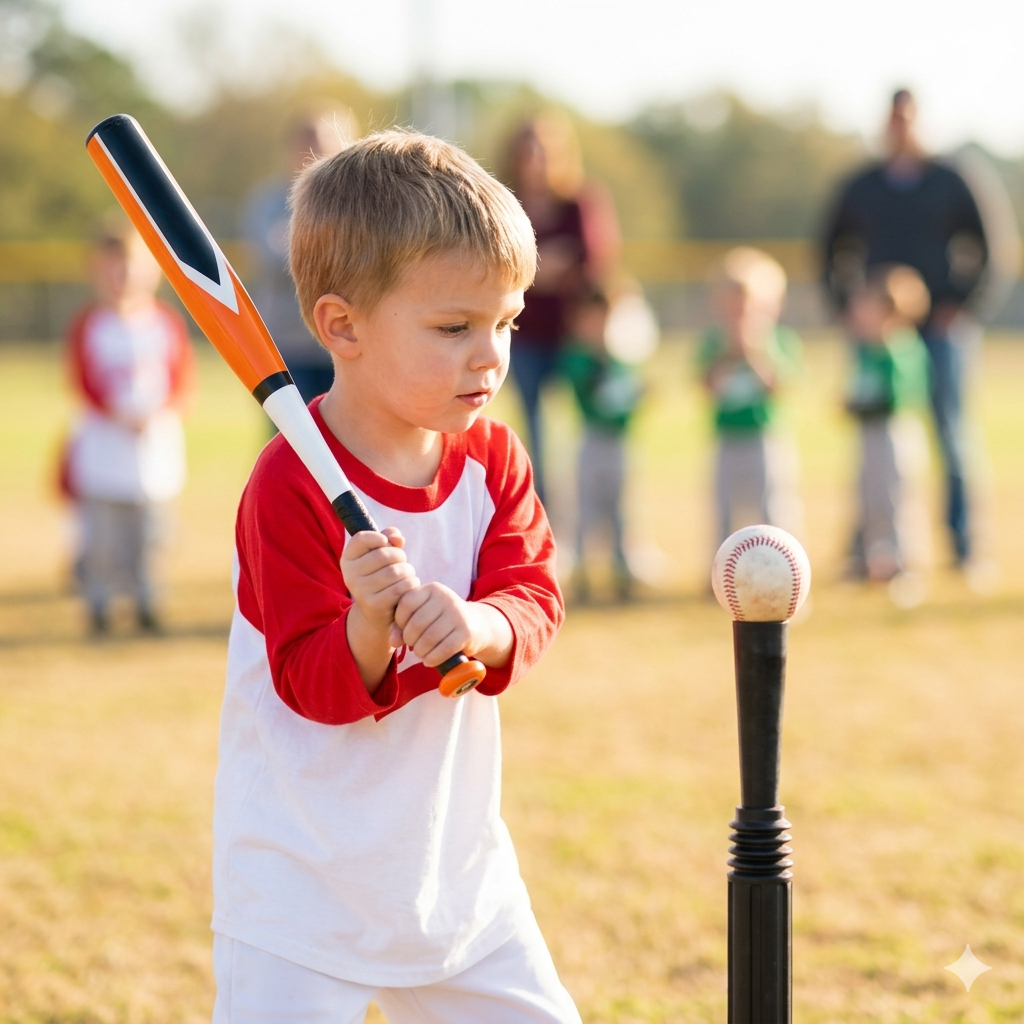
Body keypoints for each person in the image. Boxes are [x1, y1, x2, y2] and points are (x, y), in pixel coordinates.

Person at [212, 131, 579, 1022]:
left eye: (506, 322)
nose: (489, 355)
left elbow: (533, 596)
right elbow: (308, 677)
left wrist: (481, 626)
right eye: (454, 329)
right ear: (342, 326)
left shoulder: (493, 457)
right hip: (299, 896)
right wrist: (367, 625)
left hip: (457, 885)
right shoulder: (288, 483)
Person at [822, 89, 990, 568]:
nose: (900, 128)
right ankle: (868, 548)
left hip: (939, 333)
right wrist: (848, 309)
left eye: (907, 119)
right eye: (892, 120)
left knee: (952, 435)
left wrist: (958, 305)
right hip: (877, 333)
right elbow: (830, 249)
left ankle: (963, 547)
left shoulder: (950, 180)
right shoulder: (863, 185)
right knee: (871, 442)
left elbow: (989, 248)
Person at [62, 220, 194, 634]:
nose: (123, 277)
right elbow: (82, 378)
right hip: (105, 446)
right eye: (112, 267)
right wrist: (115, 411)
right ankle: (99, 603)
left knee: (151, 533)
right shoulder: (91, 323)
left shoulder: (164, 322)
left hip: (154, 447)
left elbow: (181, 376)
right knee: (103, 535)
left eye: (131, 266)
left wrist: (165, 410)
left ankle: (146, 600)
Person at [504, 112, 620, 502]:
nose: (536, 158)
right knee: (536, 433)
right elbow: (496, 261)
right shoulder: (507, 202)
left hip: (574, 336)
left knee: (585, 430)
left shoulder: (579, 201)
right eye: (528, 149)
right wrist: (541, 266)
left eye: (544, 149)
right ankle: (546, 514)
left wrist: (529, 267)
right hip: (522, 333)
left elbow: (591, 257)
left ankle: (588, 515)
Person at [241, 111, 351, 404]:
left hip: (345, 341)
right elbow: (274, 259)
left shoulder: (357, 203)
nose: (316, 152)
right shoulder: (269, 202)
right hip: (286, 346)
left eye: (326, 142)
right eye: (308, 142)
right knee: (293, 436)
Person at [698, 247, 803, 548]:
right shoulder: (715, 343)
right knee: (723, 508)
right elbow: (706, 387)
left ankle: (786, 563)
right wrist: (727, 355)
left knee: (775, 506)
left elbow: (780, 385)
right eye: (732, 304)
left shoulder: (778, 341)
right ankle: (718, 566)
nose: (740, 313)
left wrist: (754, 352)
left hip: (765, 437)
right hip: (727, 436)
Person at [843, 265, 932, 585]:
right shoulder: (866, 350)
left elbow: (896, 398)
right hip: (871, 434)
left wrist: (857, 405)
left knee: (895, 500)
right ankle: (868, 560)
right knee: (869, 498)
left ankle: (901, 562)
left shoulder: (899, 347)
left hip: (895, 434)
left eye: (865, 307)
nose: (857, 314)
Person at [559, 287, 644, 602]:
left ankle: (622, 572)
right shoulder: (581, 356)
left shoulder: (622, 357)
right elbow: (590, 386)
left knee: (620, 510)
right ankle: (581, 575)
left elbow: (628, 398)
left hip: (619, 442)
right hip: (591, 440)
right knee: (585, 510)